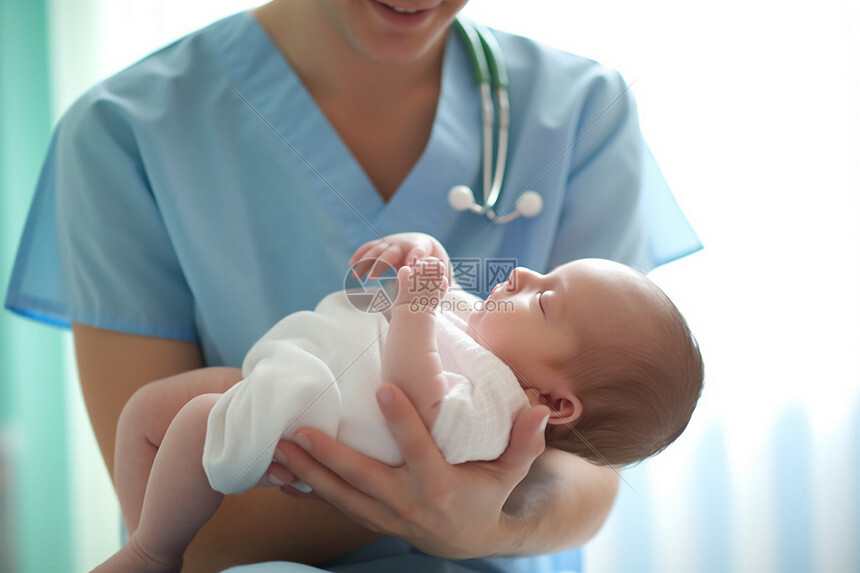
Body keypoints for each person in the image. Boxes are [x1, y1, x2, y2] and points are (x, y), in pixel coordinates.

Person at [5, 1, 702, 571]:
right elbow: (198, 523)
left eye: (543, 295)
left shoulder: (582, 110)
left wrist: (483, 526)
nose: (522, 281)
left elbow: (594, 457)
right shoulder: (120, 135)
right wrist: (444, 509)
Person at [93, 232, 702, 573]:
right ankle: (152, 537)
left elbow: (415, 401)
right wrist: (425, 254)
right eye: (544, 274)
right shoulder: (486, 331)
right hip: (289, 366)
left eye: (543, 301)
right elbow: (441, 294)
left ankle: (154, 552)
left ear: (555, 403)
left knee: (197, 422)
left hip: (314, 408)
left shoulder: (500, 412)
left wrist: (413, 308)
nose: (520, 278)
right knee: (151, 411)